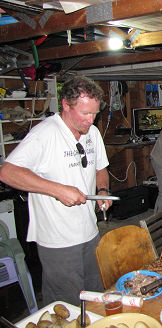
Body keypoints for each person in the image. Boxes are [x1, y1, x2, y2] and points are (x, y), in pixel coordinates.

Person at [0, 76, 111, 306]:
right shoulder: (45, 134)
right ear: (66, 105)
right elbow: (7, 172)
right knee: (67, 304)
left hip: (90, 232)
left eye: (95, 114)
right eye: (85, 114)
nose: (91, 120)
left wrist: (102, 189)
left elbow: (101, 168)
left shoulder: (93, 133)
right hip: (58, 240)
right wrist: (58, 190)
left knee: (96, 296)